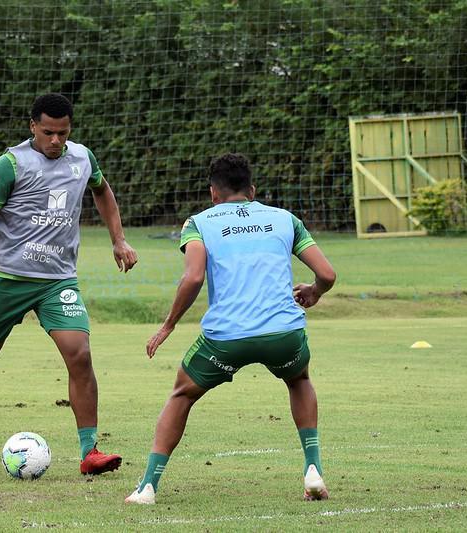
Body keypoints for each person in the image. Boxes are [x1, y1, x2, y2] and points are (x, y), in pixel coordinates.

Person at [0, 93, 139, 475]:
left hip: (58, 280)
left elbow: (102, 191)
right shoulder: (12, 163)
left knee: (80, 354)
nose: (55, 140)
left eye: (63, 133)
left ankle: (89, 452)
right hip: (10, 278)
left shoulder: (83, 158)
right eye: (48, 132)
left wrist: (118, 239)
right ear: (33, 126)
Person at [125, 153, 336, 504]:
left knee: (182, 394)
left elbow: (193, 277)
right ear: (252, 190)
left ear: (213, 193)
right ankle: (312, 469)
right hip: (283, 334)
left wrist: (168, 325)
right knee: (299, 380)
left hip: (226, 339)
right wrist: (314, 292)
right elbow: (327, 274)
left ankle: (148, 486)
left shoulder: (199, 223)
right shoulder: (285, 219)